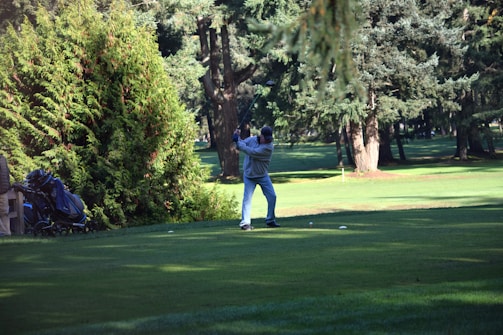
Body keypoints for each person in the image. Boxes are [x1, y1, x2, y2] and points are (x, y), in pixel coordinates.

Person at [233, 126, 280, 231]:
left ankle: (270, 220)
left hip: (263, 175)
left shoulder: (268, 147)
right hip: (249, 175)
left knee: (272, 196)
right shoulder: (253, 140)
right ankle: (245, 223)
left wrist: (238, 141)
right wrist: (237, 139)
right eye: (266, 138)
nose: (267, 140)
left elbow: (252, 152)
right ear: (261, 135)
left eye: (269, 138)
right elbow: (242, 145)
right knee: (247, 199)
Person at [0, 154, 11, 236]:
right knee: (4, 212)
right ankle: (6, 232)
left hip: (3, 189)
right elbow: (7, 174)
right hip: (4, 189)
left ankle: (3, 231)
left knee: (4, 212)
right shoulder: (3, 159)